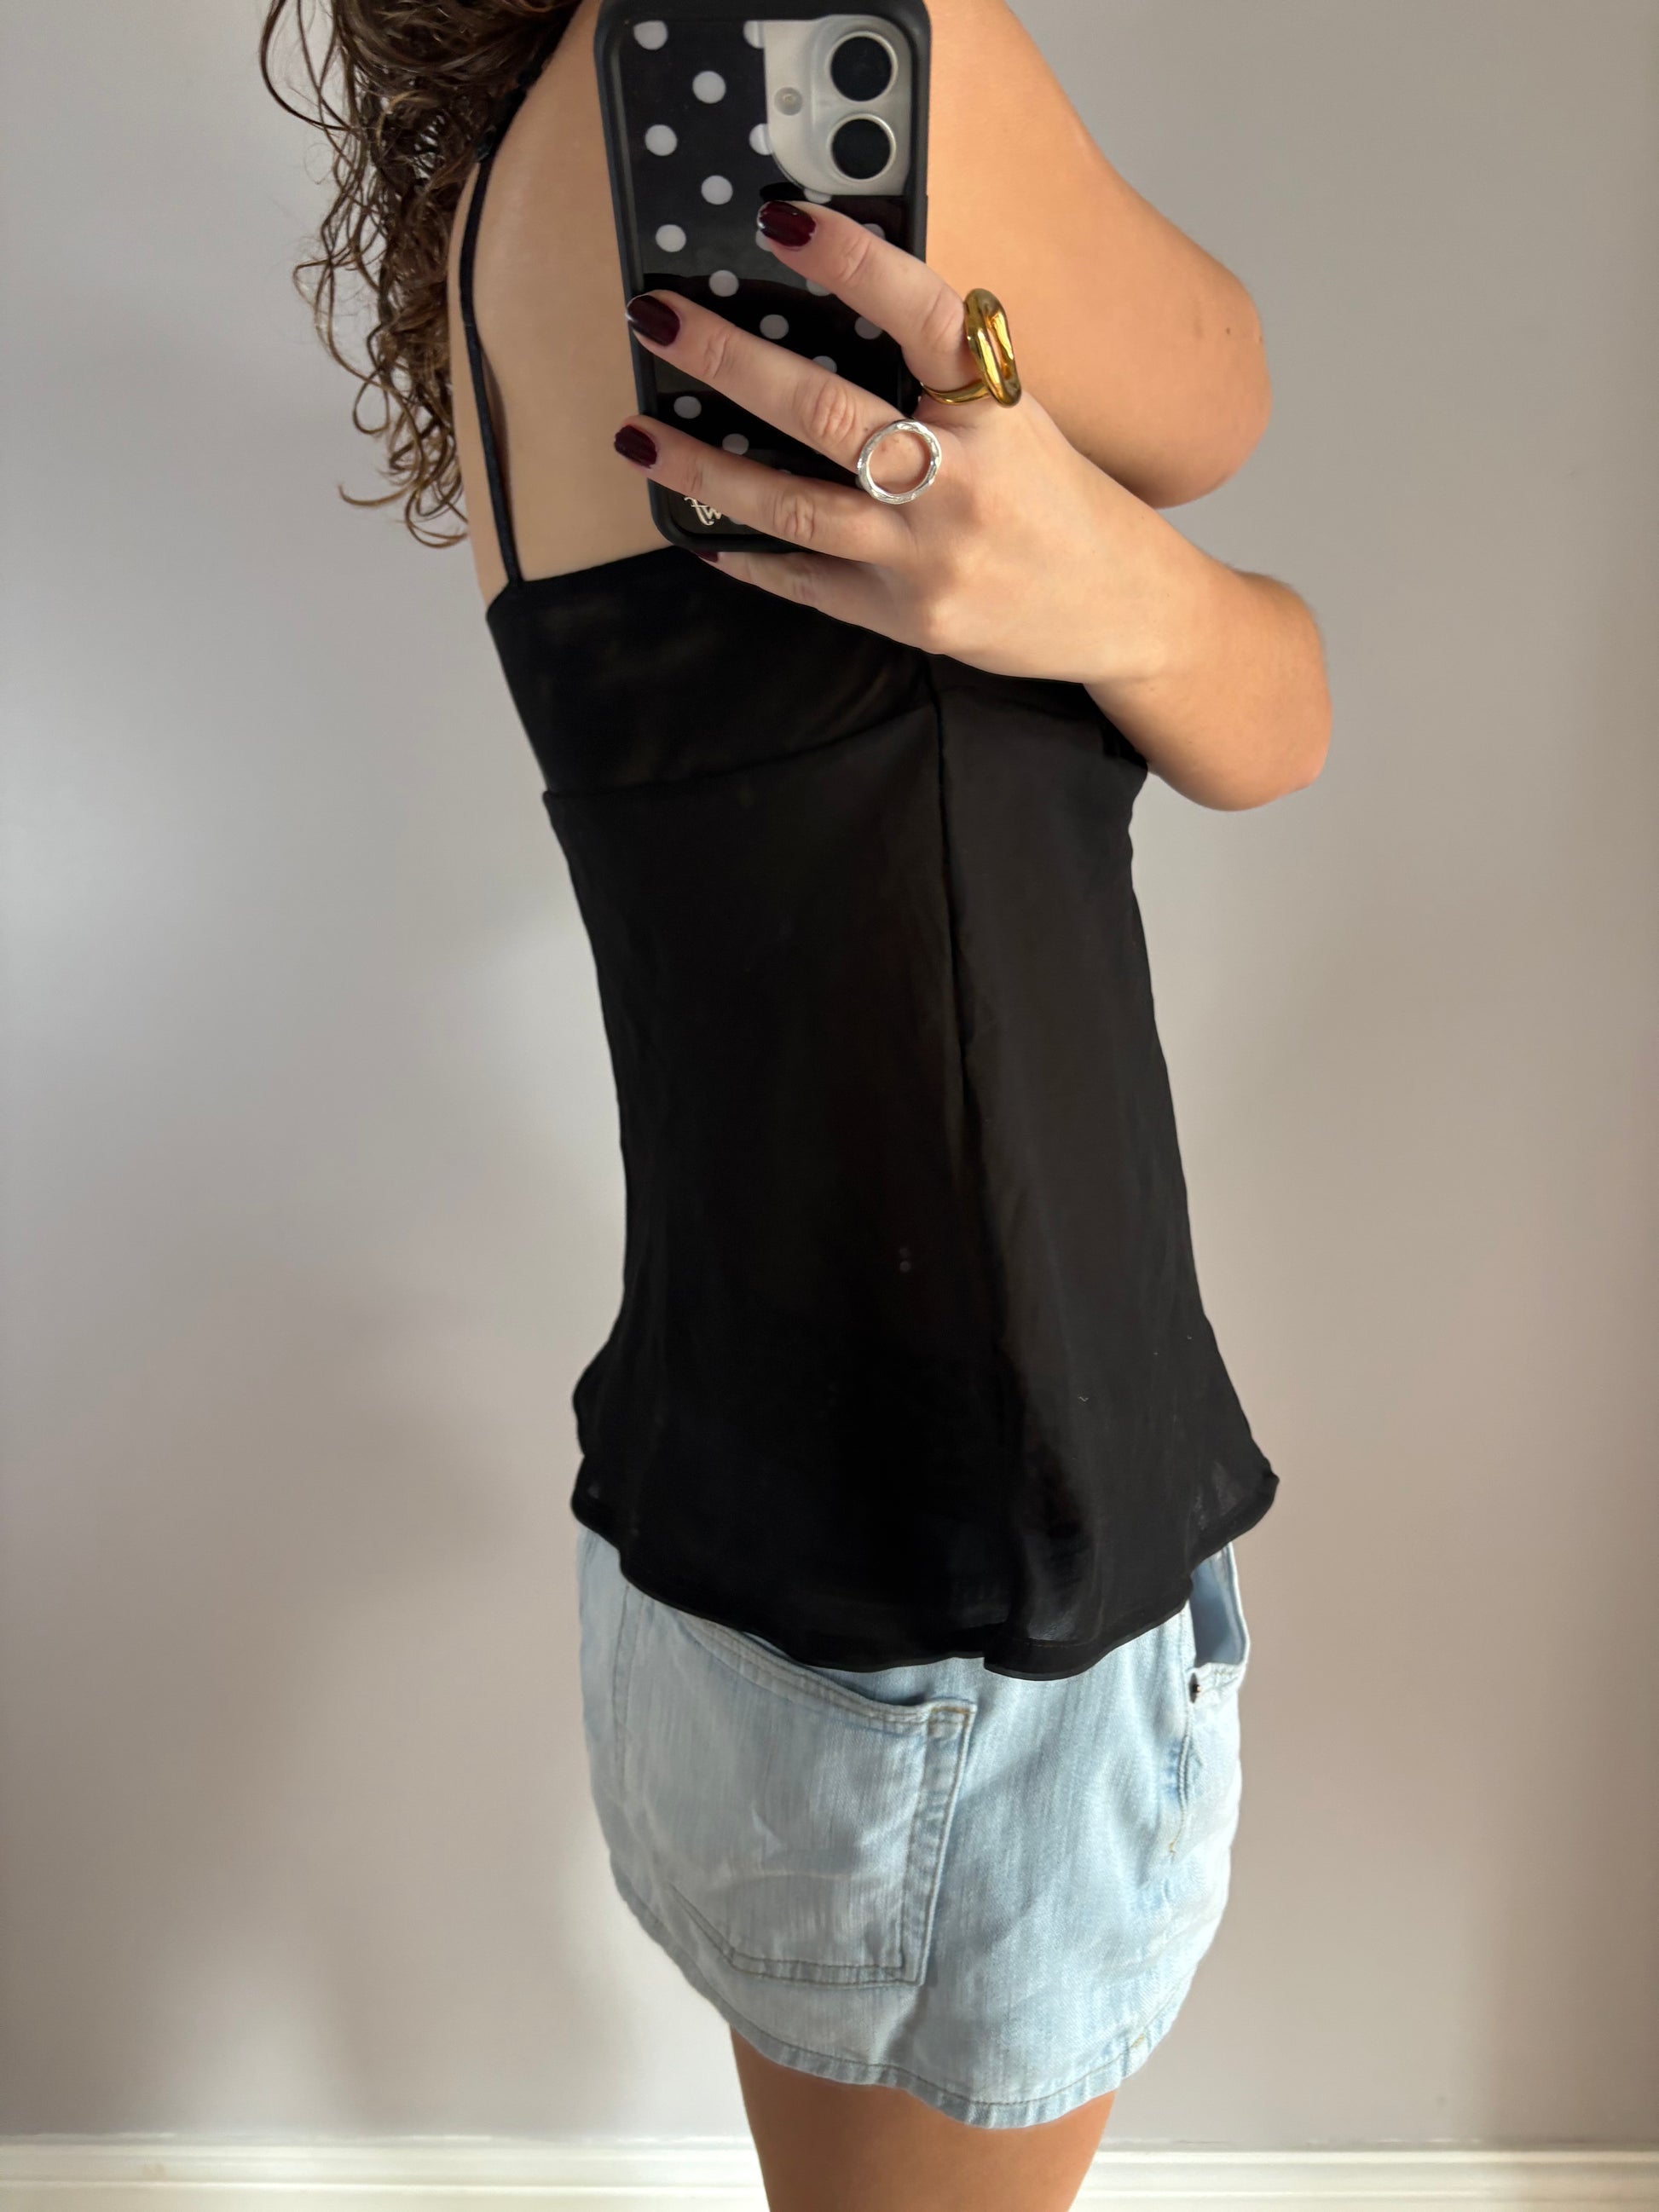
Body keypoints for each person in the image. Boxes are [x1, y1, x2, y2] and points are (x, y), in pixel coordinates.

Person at [263, 1, 1329, 2205]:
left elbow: (1266, 710)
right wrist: (1130, 567)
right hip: (965, 1584)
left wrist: (1117, 587)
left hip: (770, 1541)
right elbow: (1221, 389)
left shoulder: (534, 177)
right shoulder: (793, 52)